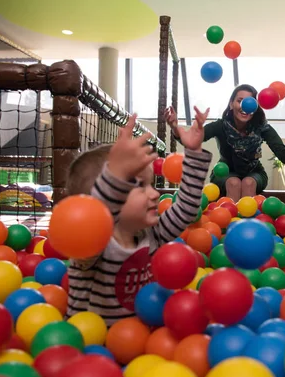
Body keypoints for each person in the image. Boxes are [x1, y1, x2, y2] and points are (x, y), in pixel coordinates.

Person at [64, 108, 213, 326]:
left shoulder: (153, 234)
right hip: (95, 346)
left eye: (151, 184)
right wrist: (116, 175)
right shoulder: (93, 246)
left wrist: (193, 152)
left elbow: (187, 209)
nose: (154, 193)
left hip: (143, 340)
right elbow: (100, 213)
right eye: (139, 186)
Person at [165, 84, 285, 202]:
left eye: (249, 102)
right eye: (239, 100)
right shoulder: (220, 126)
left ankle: (248, 231)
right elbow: (191, 141)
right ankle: (229, 230)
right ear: (231, 104)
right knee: (234, 182)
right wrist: (174, 127)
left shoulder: (262, 128)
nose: (244, 106)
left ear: (255, 107)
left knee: (248, 182)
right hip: (224, 172)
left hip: (254, 174)